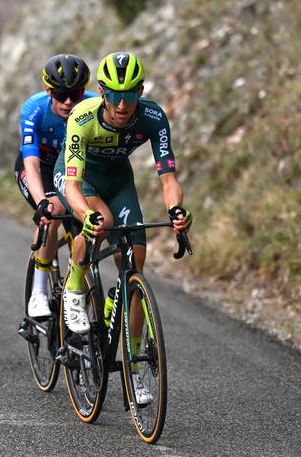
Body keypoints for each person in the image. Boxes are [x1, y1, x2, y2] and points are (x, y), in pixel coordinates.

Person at [53, 51, 192, 404]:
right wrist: (85, 213)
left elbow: (168, 177)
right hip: (79, 180)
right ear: (101, 92)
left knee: (135, 265)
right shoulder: (82, 117)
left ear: (140, 91)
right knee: (103, 222)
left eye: (129, 95)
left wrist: (176, 209)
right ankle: (74, 286)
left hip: (118, 181)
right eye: (114, 96)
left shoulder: (153, 117)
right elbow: (71, 186)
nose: (122, 105)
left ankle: (132, 373)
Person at [15, 54, 97, 318]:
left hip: (74, 170)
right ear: (49, 90)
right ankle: (38, 291)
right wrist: (42, 202)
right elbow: (32, 162)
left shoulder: (94, 106)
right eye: (61, 95)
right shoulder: (34, 109)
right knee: (52, 211)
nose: (69, 102)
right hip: (40, 168)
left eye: (75, 94)